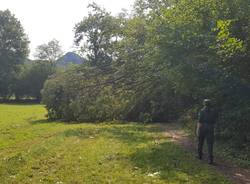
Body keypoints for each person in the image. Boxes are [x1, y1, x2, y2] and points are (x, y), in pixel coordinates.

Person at [197, 99, 217, 164]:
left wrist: (197, 130)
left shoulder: (202, 111)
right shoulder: (213, 111)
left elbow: (200, 122)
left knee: (200, 142)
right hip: (211, 127)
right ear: (210, 104)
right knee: (210, 144)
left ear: (204, 104)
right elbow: (214, 122)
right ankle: (211, 160)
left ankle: (199, 156)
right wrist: (214, 129)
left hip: (203, 127)